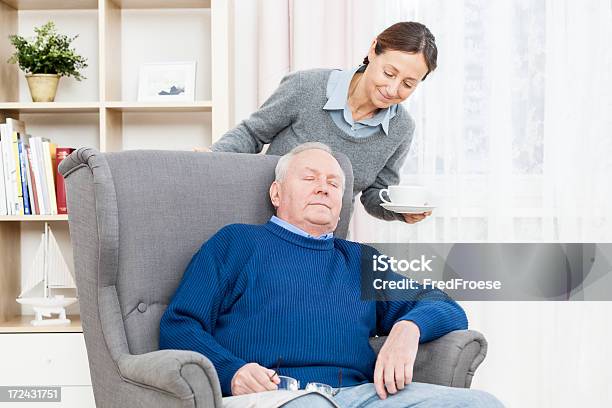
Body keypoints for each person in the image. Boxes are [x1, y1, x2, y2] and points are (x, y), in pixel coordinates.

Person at [159, 143, 503, 407]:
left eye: (334, 183)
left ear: (341, 202)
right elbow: (179, 325)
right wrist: (231, 372)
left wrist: (408, 328)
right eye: (309, 179)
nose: (323, 187)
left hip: (360, 396)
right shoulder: (236, 243)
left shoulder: (359, 259)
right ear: (276, 193)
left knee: (482, 403)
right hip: (277, 395)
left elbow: (445, 306)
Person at [202, 22, 437, 224]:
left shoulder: (402, 129)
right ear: (374, 50)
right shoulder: (307, 87)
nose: (392, 89)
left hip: (329, 242)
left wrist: (401, 212)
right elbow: (252, 134)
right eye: (389, 73)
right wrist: (210, 158)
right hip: (266, 229)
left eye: (408, 84)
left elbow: (375, 195)